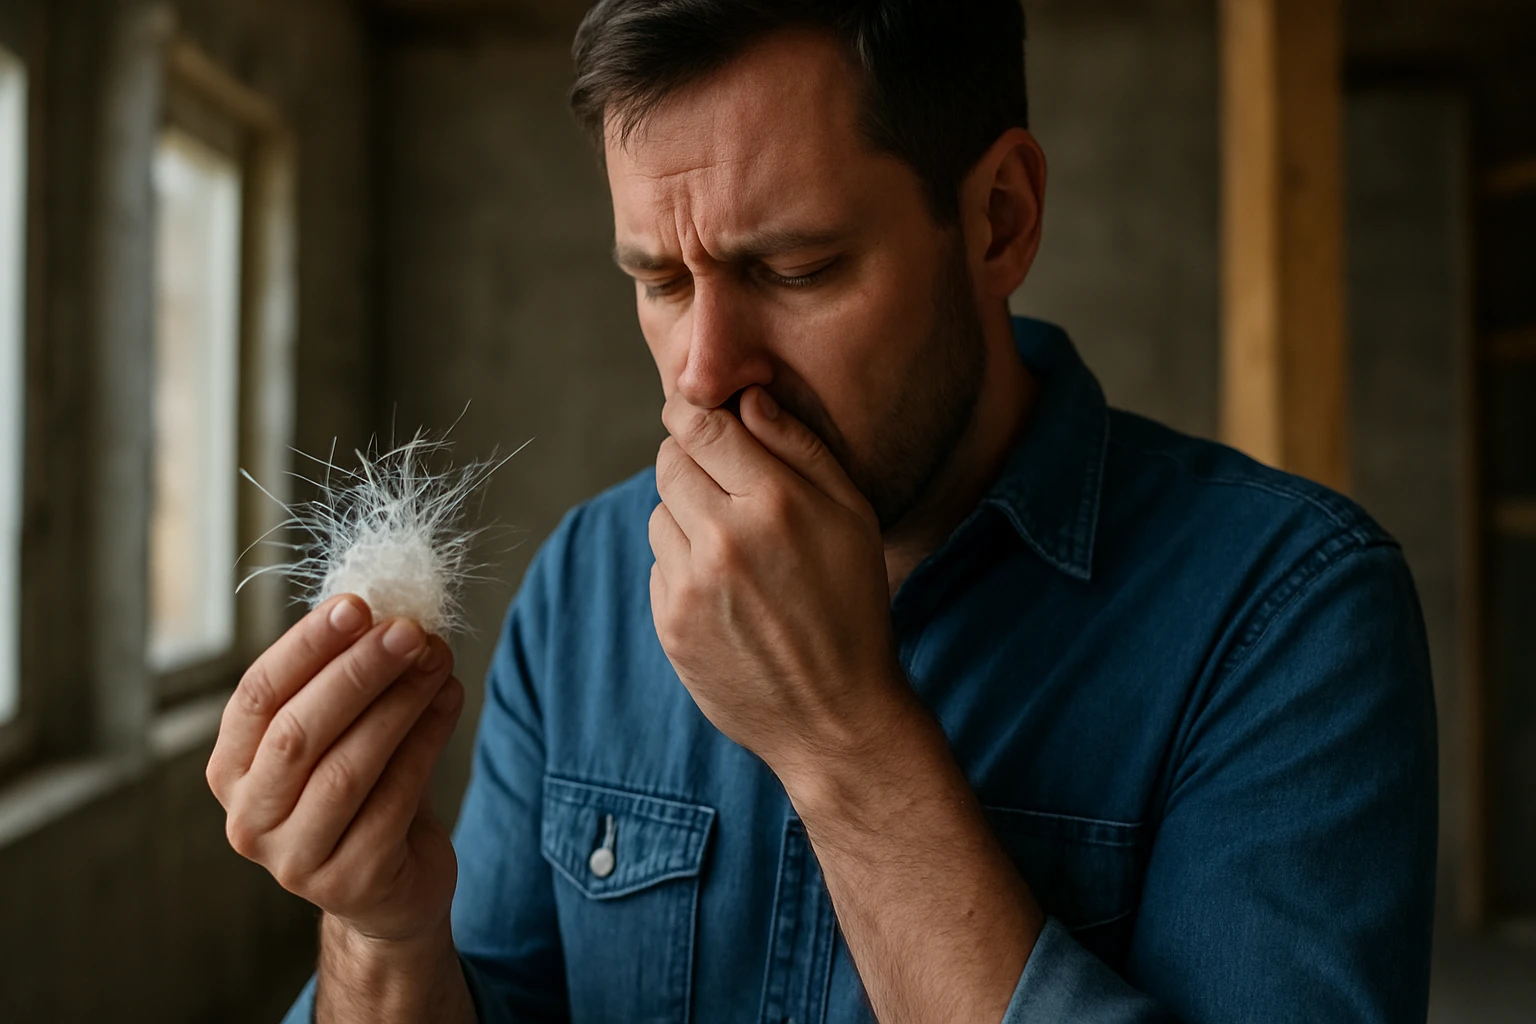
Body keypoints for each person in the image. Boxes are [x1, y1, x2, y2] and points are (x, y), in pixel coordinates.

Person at [207, 2, 1438, 1021]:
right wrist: (381, 931)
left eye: (791, 270)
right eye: (658, 279)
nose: (701, 369)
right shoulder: (586, 585)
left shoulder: (1290, 612)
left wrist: (842, 740)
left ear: (999, 219)